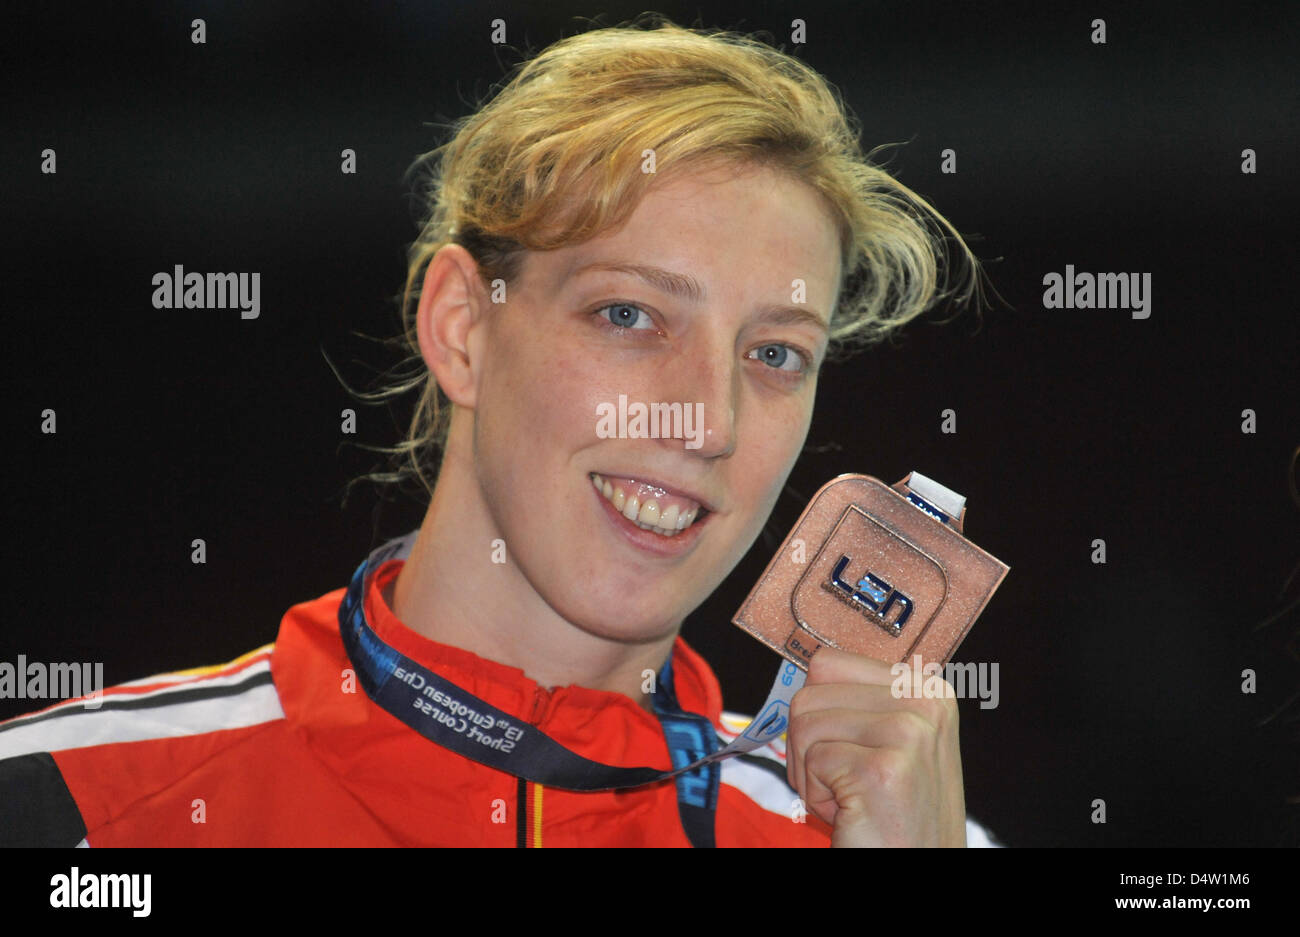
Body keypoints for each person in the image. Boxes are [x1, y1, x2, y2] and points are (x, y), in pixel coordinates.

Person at [0, 16, 997, 847]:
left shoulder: (885, 833)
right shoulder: (66, 805)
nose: (708, 421)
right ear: (461, 328)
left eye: (775, 353)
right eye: (628, 315)